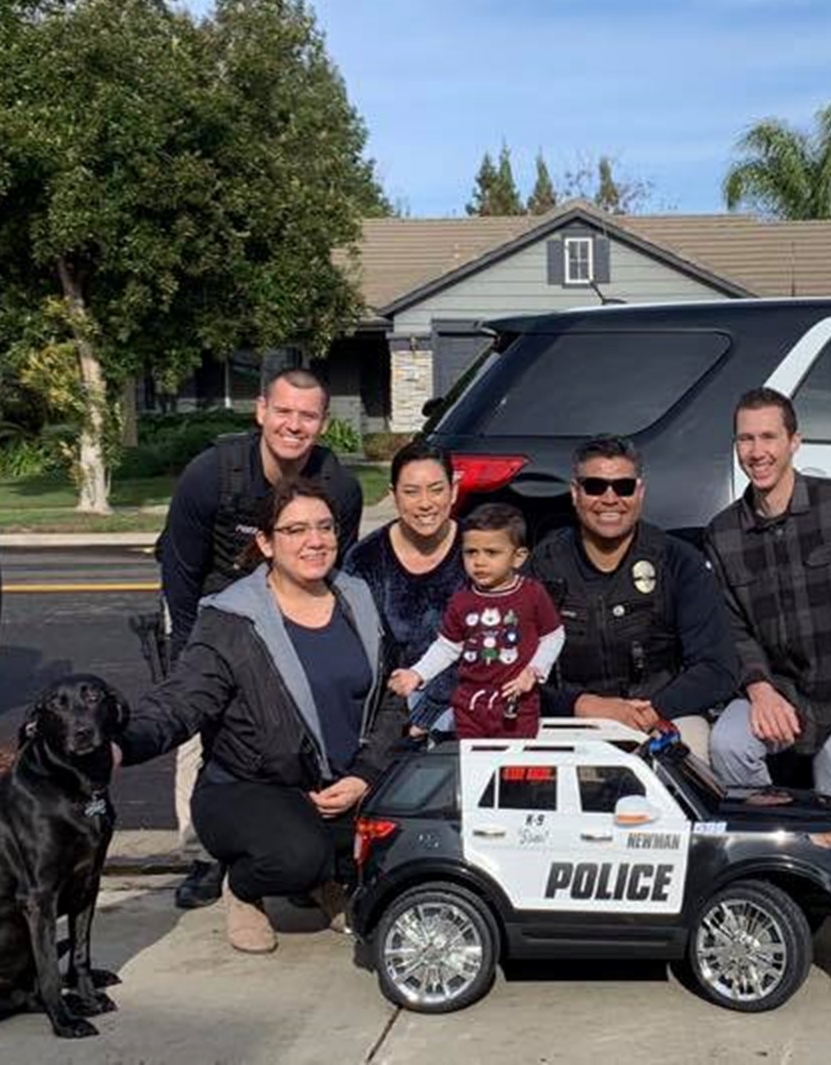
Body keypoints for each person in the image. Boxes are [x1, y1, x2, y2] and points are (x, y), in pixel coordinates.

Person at [118, 477, 408, 955]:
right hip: (248, 789)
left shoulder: (359, 599)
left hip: (342, 784)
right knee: (297, 857)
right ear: (266, 542)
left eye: (324, 527)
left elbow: (392, 696)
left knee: (401, 847)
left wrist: (365, 774)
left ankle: (325, 878)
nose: (314, 541)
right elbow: (181, 700)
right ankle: (245, 888)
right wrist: (121, 742)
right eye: (295, 530)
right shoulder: (231, 620)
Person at [155, 368, 366, 911]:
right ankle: (204, 857)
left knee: (288, 725)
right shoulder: (211, 475)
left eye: (308, 415)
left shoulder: (339, 486)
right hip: (212, 612)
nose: (294, 425)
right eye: (284, 411)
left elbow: (333, 565)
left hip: (290, 607)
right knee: (202, 735)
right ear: (261, 412)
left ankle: (293, 844)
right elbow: (180, 575)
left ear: (322, 422)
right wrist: (188, 664)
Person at [705, 389, 831, 813]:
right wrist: (759, 687)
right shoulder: (723, 533)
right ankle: (776, 842)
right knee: (728, 743)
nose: (757, 452)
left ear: (794, 441)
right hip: (779, 692)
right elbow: (730, 626)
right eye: (745, 439)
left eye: (768, 437)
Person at [530, 435, 737, 759]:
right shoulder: (543, 567)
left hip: (663, 716)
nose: (610, 498)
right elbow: (510, 666)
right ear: (575, 492)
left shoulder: (678, 562)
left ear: (640, 493)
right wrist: (581, 705)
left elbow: (718, 666)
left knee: (689, 752)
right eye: (595, 486)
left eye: (623, 487)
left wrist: (653, 710)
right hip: (570, 720)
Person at [389, 504, 564, 739]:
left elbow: (553, 635)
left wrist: (534, 671)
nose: (479, 561)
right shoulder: (463, 599)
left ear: (518, 557)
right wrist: (417, 674)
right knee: (474, 771)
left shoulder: (532, 593)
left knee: (513, 771)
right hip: (469, 707)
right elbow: (447, 646)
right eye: (471, 552)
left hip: (516, 706)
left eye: (491, 553)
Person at [345, 441, 470, 735]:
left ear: (453, 491)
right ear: (394, 496)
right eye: (411, 492)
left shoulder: (478, 550)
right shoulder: (366, 559)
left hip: (468, 704)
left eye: (436, 490)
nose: (425, 503)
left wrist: (433, 706)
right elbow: (360, 651)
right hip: (391, 709)